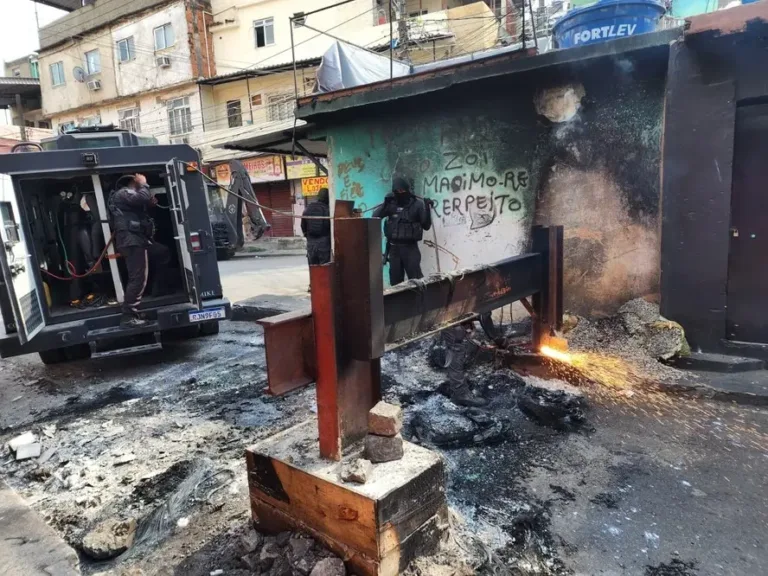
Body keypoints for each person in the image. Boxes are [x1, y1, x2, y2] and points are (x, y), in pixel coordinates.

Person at [109, 173, 170, 327]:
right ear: (131, 183)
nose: (140, 183)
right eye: (137, 182)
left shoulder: (128, 196)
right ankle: (128, 316)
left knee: (162, 252)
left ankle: (157, 289)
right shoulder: (123, 193)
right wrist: (144, 183)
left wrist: (150, 202)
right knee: (137, 278)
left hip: (139, 240)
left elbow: (140, 202)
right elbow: (140, 198)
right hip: (132, 242)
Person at [373, 176, 434, 285]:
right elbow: (375, 218)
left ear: (407, 189)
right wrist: (385, 204)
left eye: (402, 190)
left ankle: (419, 301)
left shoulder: (417, 204)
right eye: (397, 191)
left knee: (416, 281)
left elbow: (426, 226)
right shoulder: (391, 204)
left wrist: (428, 208)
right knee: (395, 282)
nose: (400, 193)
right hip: (394, 249)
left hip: (410, 249)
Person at [301, 187, 331, 265]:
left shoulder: (308, 208)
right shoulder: (328, 209)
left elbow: (302, 225)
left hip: (311, 243)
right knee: (325, 268)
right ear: (328, 198)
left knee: (313, 268)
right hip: (324, 243)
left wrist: (308, 237)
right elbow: (330, 226)